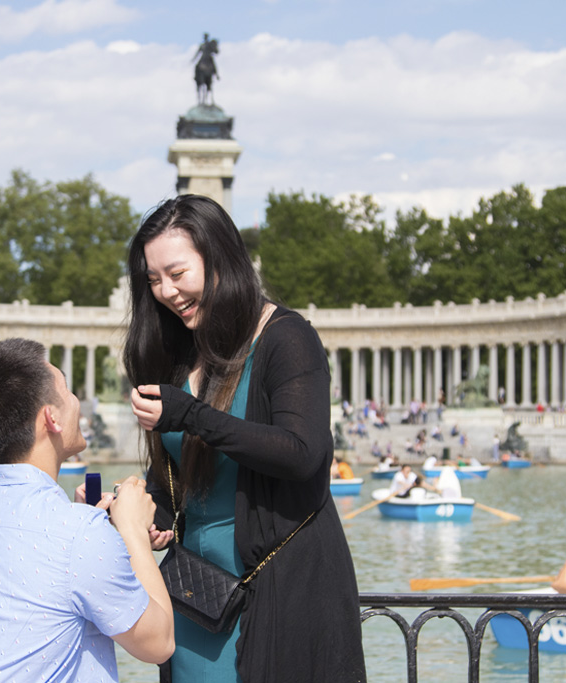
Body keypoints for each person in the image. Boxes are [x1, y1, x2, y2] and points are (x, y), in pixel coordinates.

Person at [124, 195, 366, 682]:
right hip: (197, 595)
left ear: (220, 261)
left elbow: (302, 454)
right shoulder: (176, 350)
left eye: (177, 273)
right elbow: (178, 472)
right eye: (153, 280)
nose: (166, 292)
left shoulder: (287, 337)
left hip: (277, 588)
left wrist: (190, 413)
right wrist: (158, 513)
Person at [0, 338, 174, 681]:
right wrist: (131, 530)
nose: (77, 401)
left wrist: (88, 526)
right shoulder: (78, 533)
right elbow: (158, 643)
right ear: (51, 417)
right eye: (67, 391)